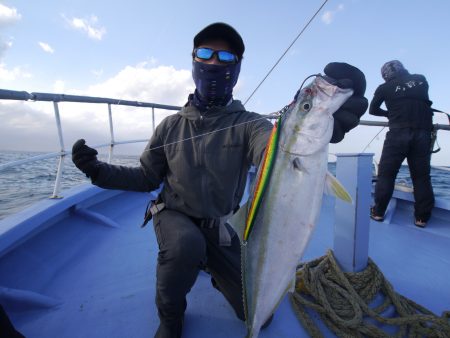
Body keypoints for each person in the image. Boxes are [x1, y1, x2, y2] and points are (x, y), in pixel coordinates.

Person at [71, 22, 368, 338]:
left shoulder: (249, 125)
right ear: (194, 60)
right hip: (174, 216)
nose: (213, 62)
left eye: (225, 57)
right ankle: (171, 318)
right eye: (205, 53)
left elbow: (272, 151)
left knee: (258, 314)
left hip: (222, 227)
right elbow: (146, 177)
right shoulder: (170, 126)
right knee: (185, 245)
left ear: (236, 68)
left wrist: (317, 129)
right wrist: (98, 172)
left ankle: (213, 266)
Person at [369, 60, 435, 227]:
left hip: (398, 134)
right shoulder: (421, 79)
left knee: (387, 175)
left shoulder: (384, 88)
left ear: (385, 75)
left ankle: (378, 213)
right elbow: (418, 98)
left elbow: (373, 110)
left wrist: (389, 113)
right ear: (404, 69)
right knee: (421, 177)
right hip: (423, 133)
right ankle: (421, 218)